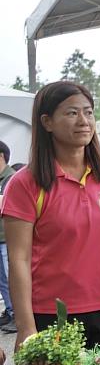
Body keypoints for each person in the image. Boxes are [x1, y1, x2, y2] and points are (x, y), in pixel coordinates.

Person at [1, 81, 100, 350]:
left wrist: (97, 266)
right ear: (47, 122)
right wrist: (26, 328)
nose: (83, 121)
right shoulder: (25, 184)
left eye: (88, 112)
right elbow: (18, 259)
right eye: (71, 113)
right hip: (54, 315)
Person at [0, 140, 16, 333]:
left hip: (7, 238)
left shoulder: (10, 179)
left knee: (10, 276)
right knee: (3, 280)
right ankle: (11, 312)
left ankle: (15, 313)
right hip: (2, 238)